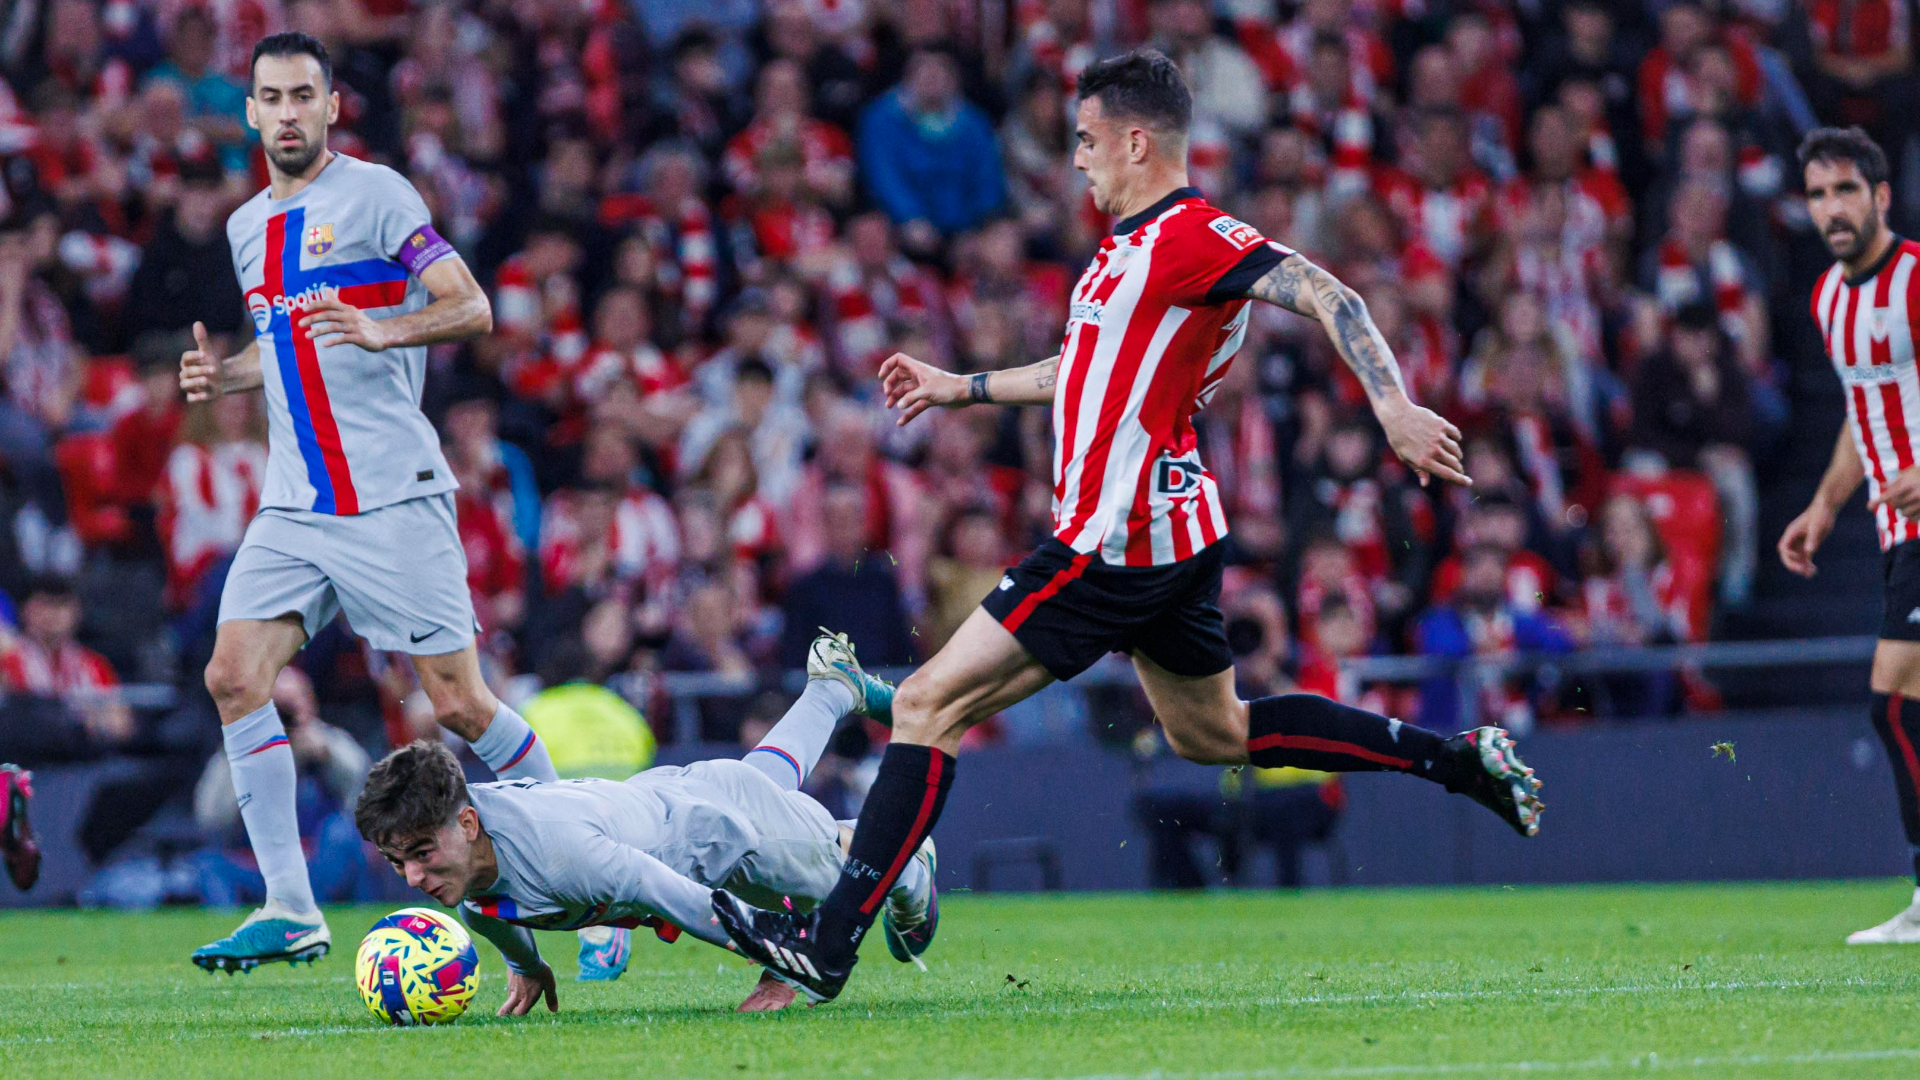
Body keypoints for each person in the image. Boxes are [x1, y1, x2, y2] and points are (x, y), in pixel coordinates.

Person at [712, 50, 1545, 1004]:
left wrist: (1392, 406)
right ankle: (1458, 759)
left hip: (1112, 542)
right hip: (1172, 538)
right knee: (1216, 732)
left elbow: (1331, 293)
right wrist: (960, 388)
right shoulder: (1122, 252)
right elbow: (1081, 369)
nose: (1076, 160)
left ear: (1136, 141)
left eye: (1087, 140)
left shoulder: (1191, 235)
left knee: (925, 706)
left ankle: (825, 949)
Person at [174, 33, 530, 974]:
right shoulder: (245, 227)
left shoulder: (379, 195)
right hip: (295, 504)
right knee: (233, 675)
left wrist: (386, 328)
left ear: (332, 107)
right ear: (250, 112)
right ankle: (291, 909)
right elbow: (287, 350)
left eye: (304, 95)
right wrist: (225, 375)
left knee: (459, 705)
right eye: (271, 97)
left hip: (389, 497)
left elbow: (471, 306)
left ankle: (587, 868)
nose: (288, 113)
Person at [353, 632, 921, 1015]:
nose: (413, 878)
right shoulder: (471, 872)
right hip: (680, 798)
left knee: (854, 881)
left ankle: (914, 864)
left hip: (728, 838)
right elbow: (488, 913)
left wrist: (784, 965)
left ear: (468, 823)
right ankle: (831, 689)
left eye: (422, 854)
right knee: (764, 785)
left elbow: (680, 899)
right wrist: (527, 965)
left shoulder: (561, 854)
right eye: (398, 861)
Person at [1778, 126, 1920, 944]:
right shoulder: (1829, 298)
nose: (1831, 208)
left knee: (1894, 700)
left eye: (1845, 191)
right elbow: (1862, 413)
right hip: (1896, 529)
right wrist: (1825, 507)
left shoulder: (1914, 279)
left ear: (1881, 196)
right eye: (1817, 194)